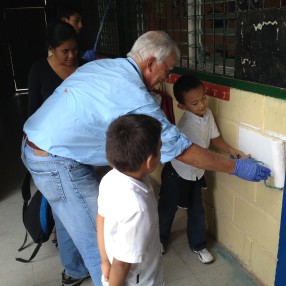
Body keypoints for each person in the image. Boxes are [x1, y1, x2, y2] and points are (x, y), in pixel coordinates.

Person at [21, 31, 271, 286]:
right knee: (102, 251)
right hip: (56, 159)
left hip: (41, 144)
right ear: (151, 62)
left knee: (74, 215)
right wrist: (236, 167)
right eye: (168, 69)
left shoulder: (108, 66)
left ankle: (74, 270)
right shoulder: (133, 95)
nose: (167, 78)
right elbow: (181, 151)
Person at [25, 21, 90, 286]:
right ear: (51, 49)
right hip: (52, 152)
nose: (72, 56)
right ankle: (73, 269)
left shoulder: (83, 69)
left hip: (81, 148)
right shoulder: (39, 71)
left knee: (78, 211)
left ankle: (76, 266)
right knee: (66, 213)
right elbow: (32, 114)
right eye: (65, 51)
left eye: (75, 49)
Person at [158, 75, 249, 263]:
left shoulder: (207, 115)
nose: (201, 105)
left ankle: (199, 245)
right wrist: (232, 167)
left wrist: (232, 151)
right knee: (167, 209)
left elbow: (214, 138)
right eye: (195, 103)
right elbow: (197, 158)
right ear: (182, 106)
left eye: (203, 99)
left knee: (196, 210)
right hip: (177, 173)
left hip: (196, 173)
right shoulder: (185, 126)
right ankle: (159, 239)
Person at [97, 114, 164, 285]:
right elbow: (121, 264)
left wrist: (105, 260)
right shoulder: (137, 208)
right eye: (160, 148)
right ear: (149, 162)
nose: (161, 151)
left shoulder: (111, 178)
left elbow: (101, 219)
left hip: (117, 268)